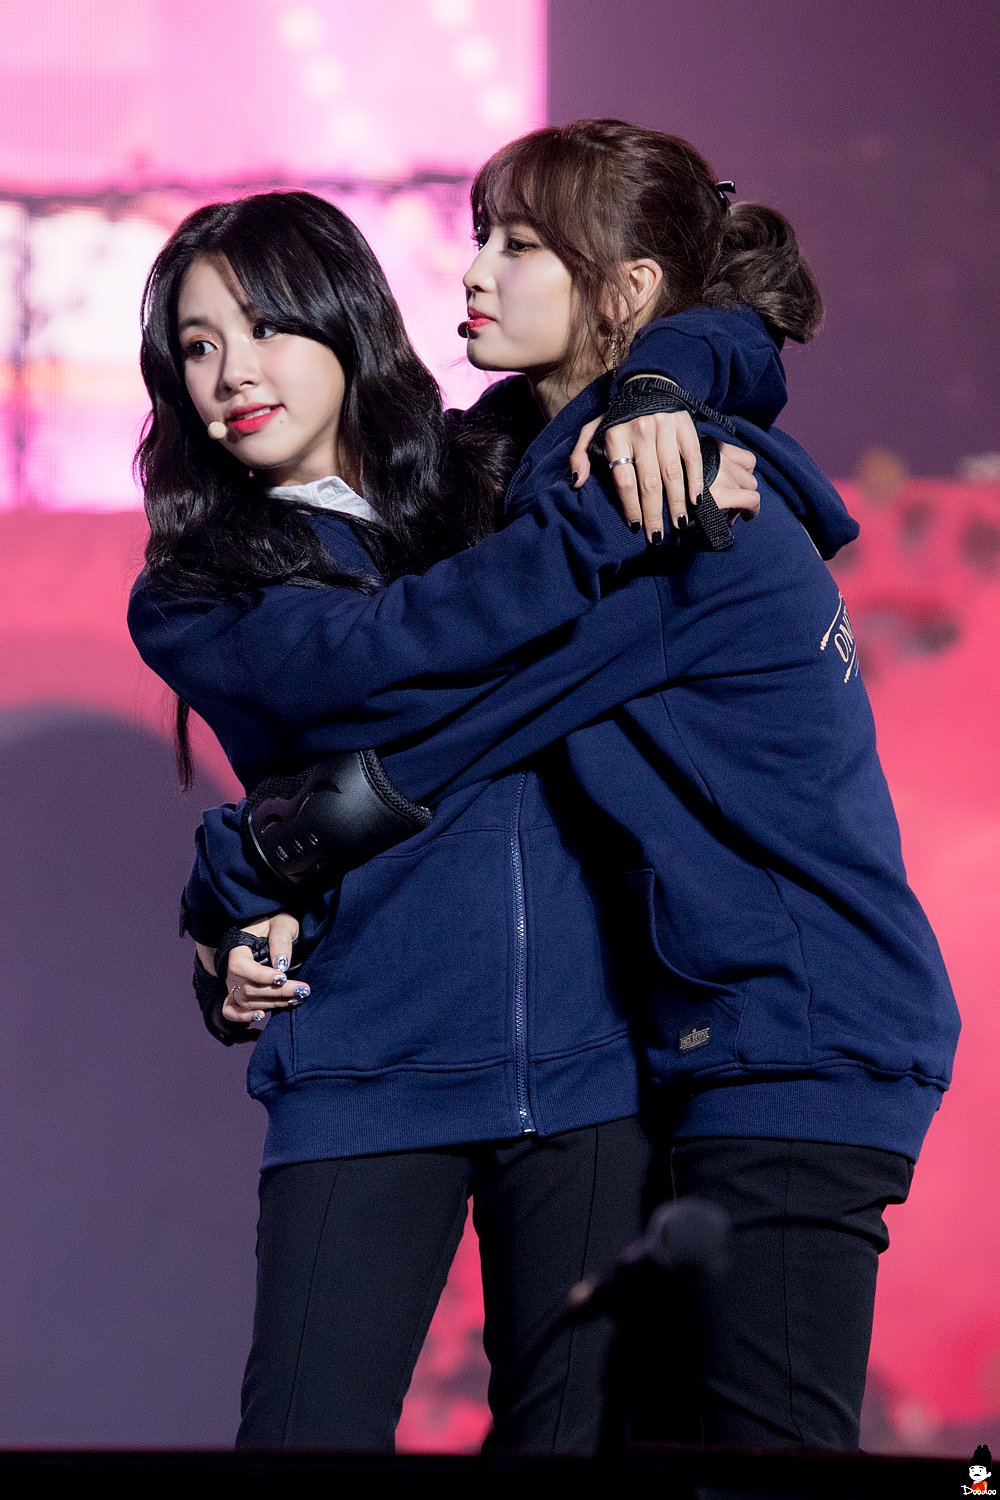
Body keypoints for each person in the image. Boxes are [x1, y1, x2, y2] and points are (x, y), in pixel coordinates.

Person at [175, 121, 960, 1452]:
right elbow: (726, 331)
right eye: (480, 236)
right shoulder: (564, 467)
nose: (473, 271)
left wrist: (245, 863)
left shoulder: (667, 503)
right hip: (724, 1038)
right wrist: (661, 382)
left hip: (791, 1031)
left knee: (774, 1454)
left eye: (520, 245)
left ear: (623, 290)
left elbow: (472, 714)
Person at [127, 182, 764, 1453]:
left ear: (345, 318)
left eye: (265, 325)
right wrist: (599, 526)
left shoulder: (492, 470)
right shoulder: (193, 594)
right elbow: (379, 660)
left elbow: (741, 317)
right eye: (197, 346)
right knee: (304, 1445)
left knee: (570, 1459)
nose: (230, 373)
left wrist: (652, 394)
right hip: (368, 1068)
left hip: (589, 1066)